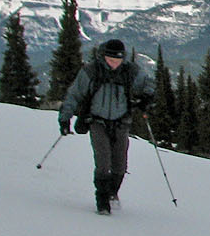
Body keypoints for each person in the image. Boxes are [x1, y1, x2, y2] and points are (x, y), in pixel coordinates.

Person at [58, 38, 156, 215]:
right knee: (103, 162)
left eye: (117, 60)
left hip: (121, 122)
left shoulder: (130, 72)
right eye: (111, 60)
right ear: (104, 56)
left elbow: (149, 82)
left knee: (120, 165)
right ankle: (102, 200)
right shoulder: (91, 71)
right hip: (97, 121)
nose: (114, 64)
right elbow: (74, 94)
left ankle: (113, 193)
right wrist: (65, 118)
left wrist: (147, 97)